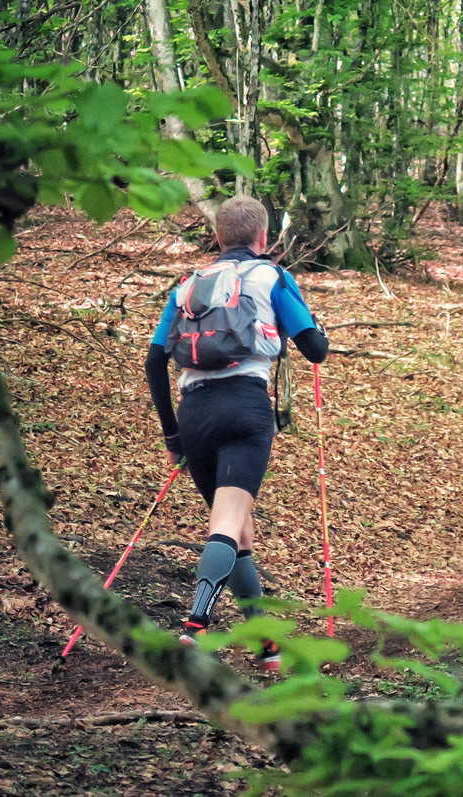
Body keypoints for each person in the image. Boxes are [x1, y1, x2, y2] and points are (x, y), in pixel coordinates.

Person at [145, 195, 328, 670]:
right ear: (263, 238)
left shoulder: (188, 284)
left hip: (195, 414)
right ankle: (195, 622)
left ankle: (266, 644)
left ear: (218, 236)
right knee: (227, 522)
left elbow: (153, 360)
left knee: (240, 532)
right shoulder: (273, 276)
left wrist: (172, 437)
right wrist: (312, 326)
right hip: (246, 410)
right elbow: (315, 349)